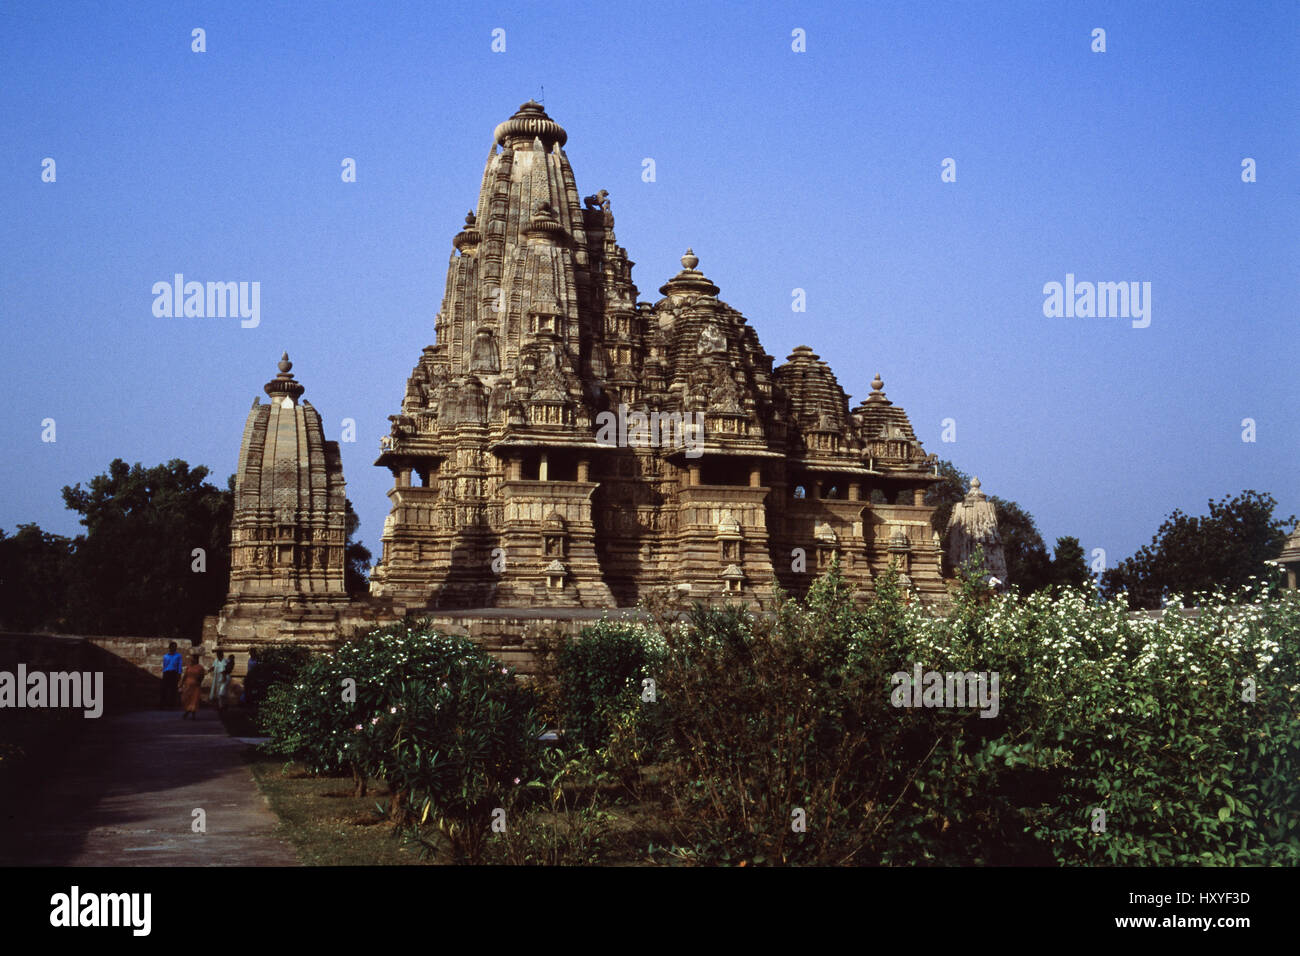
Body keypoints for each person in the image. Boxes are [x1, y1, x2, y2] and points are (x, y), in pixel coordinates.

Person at [180, 654, 205, 720]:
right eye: (191, 659)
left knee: (194, 700)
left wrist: (198, 682)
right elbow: (185, 675)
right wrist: (181, 684)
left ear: (196, 660)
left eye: (193, 659)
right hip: (187, 686)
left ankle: (191, 714)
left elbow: (202, 676)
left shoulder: (200, 668)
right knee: (186, 699)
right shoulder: (188, 667)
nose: (191, 660)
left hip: (195, 686)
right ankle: (187, 712)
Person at [160, 641, 183, 709]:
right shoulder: (165, 656)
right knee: (164, 689)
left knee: (173, 690)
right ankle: (162, 704)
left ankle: (172, 705)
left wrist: (179, 674)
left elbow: (179, 665)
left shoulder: (178, 656)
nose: (174, 648)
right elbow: (164, 665)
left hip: (174, 673)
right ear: (169, 648)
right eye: (173, 647)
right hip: (166, 673)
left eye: (175, 647)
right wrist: (164, 673)